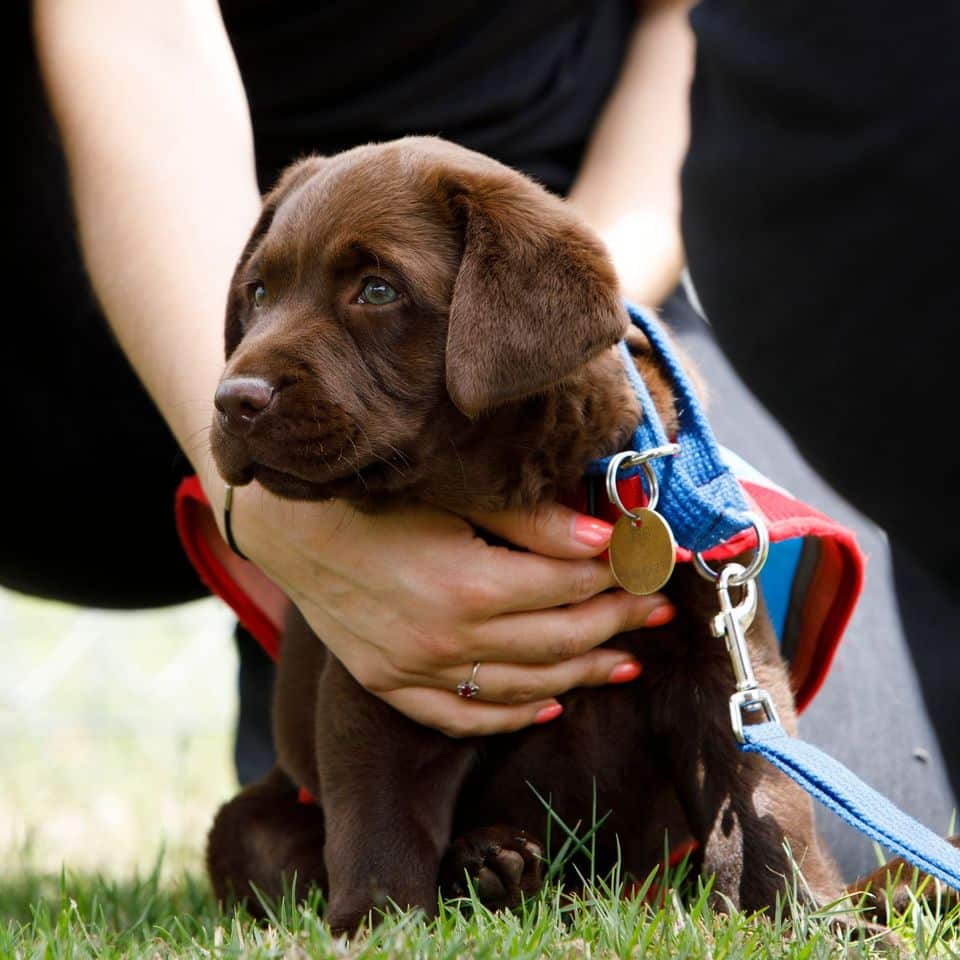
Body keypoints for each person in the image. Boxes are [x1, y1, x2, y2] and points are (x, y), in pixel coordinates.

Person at [12, 0, 955, 882]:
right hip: (126, 275)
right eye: (260, 300)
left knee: (861, 816)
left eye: (371, 290)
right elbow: (134, 27)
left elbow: (696, 23)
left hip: (541, 264)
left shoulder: (540, 313)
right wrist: (277, 520)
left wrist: (570, 320)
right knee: (348, 792)